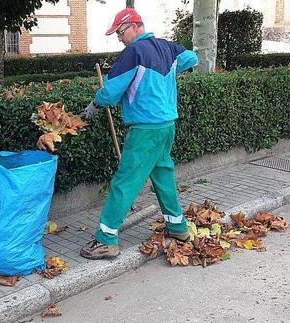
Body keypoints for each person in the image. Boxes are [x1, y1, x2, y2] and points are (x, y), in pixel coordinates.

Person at [79, 8, 199, 260]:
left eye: (120, 32)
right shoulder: (168, 48)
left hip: (145, 129)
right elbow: (192, 59)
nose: (119, 38)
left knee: (126, 180)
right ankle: (178, 227)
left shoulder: (132, 53)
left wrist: (95, 103)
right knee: (163, 174)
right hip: (167, 126)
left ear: (135, 26)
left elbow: (111, 92)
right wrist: (161, 79)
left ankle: (106, 238)